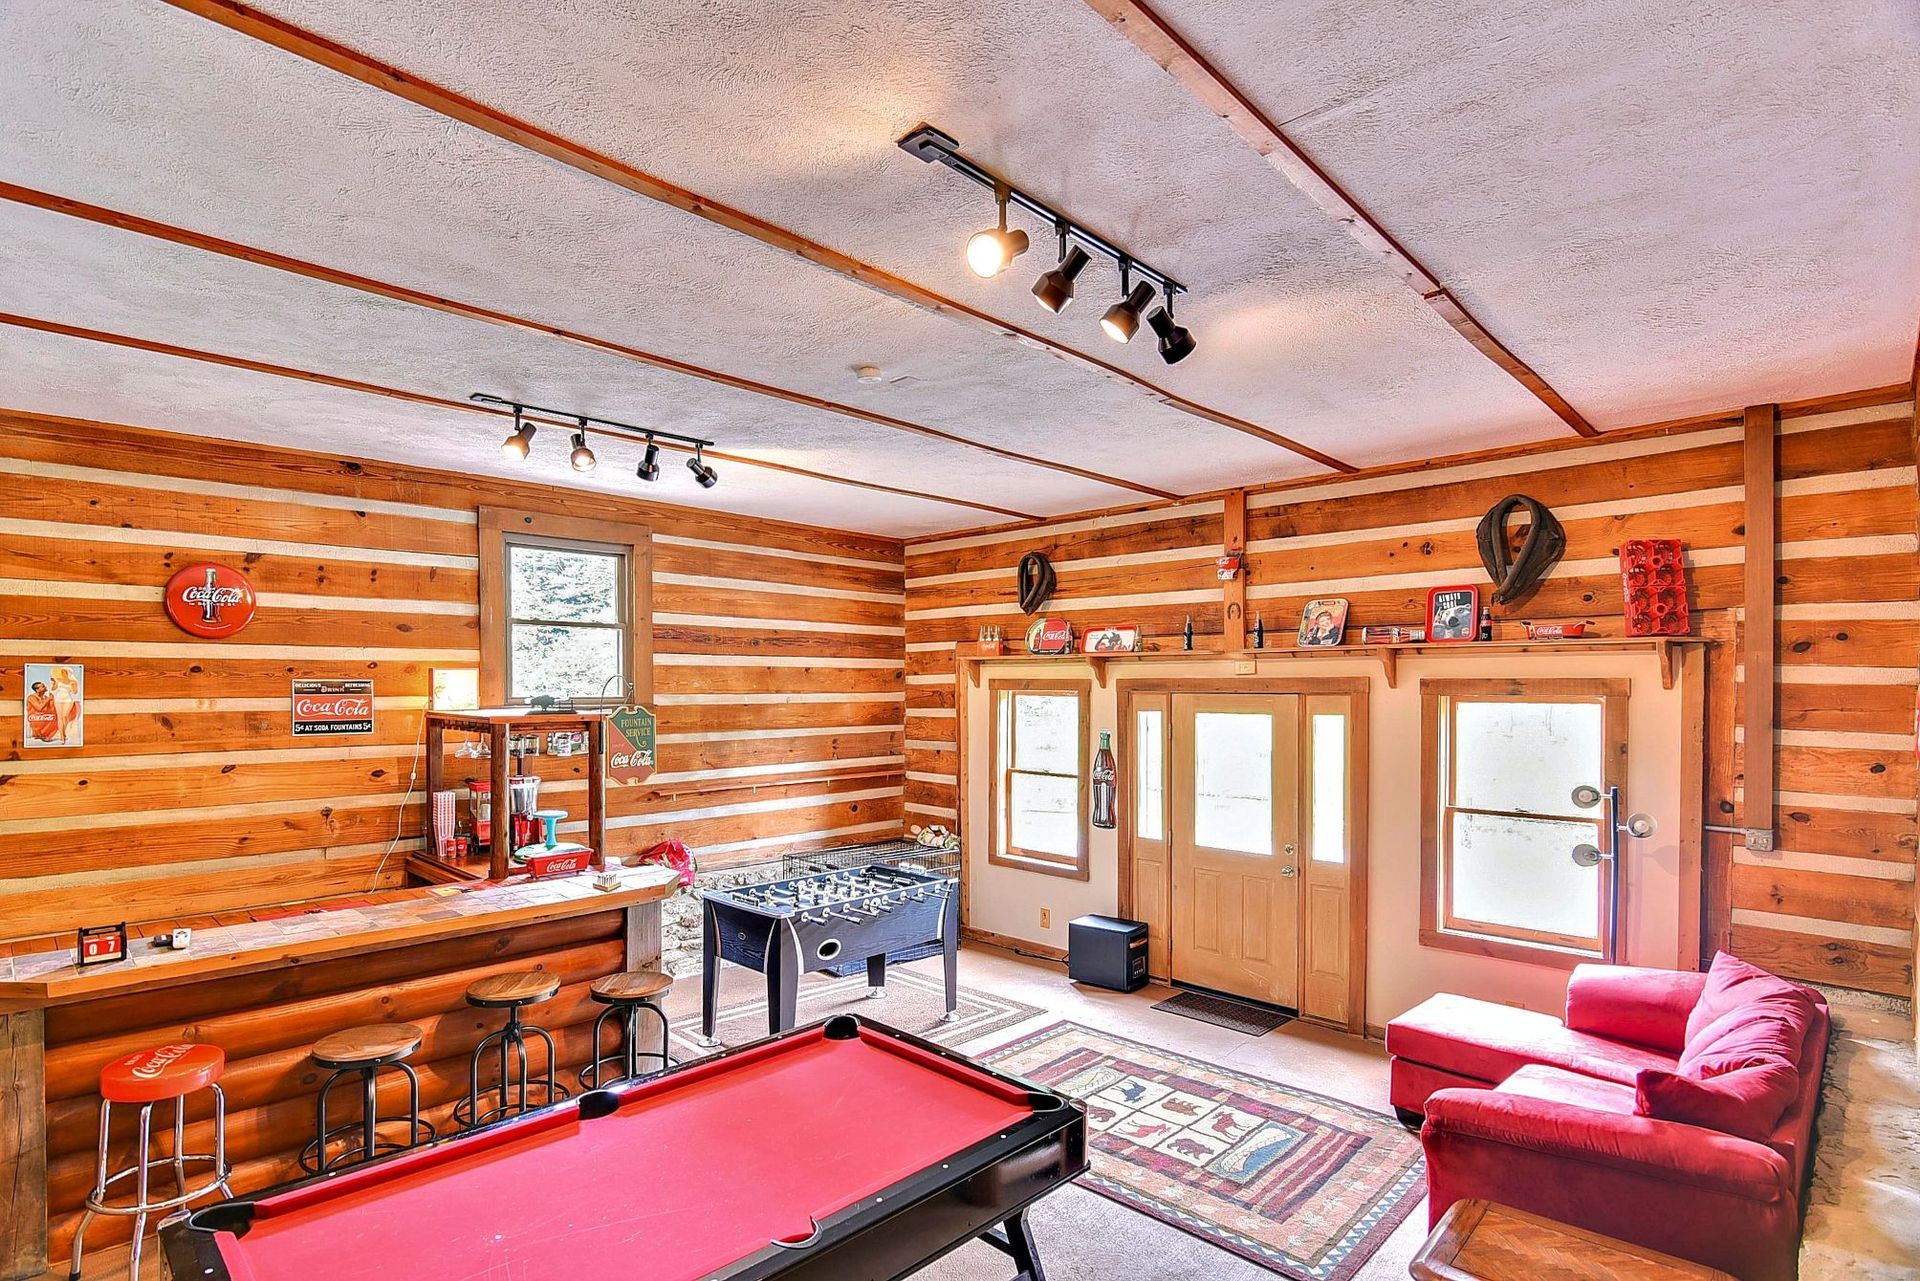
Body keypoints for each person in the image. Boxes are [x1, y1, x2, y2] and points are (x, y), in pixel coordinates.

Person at [50, 665, 81, 744]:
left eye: (64, 672)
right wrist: (54, 683)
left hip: (68, 699)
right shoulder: (58, 680)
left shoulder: (73, 682)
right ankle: (62, 736)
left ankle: (63, 732)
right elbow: (53, 689)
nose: (63, 673)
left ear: (68, 673)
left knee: (65, 716)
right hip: (58, 699)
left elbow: (75, 692)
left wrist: (73, 686)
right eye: (62, 672)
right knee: (60, 717)